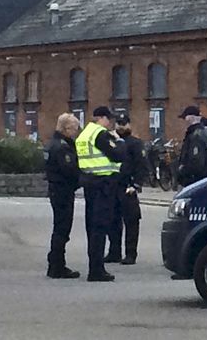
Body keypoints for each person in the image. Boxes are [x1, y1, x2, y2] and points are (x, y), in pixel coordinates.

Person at [75, 106, 126, 282]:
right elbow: (117, 155)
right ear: (102, 118)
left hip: (90, 183)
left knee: (92, 227)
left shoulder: (84, 134)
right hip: (103, 185)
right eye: (108, 119)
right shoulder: (100, 134)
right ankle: (96, 270)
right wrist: (119, 141)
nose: (110, 123)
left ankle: (94, 266)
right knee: (100, 227)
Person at [44, 113, 81, 279]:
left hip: (57, 189)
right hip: (62, 190)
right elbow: (70, 170)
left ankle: (56, 262)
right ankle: (57, 265)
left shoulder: (53, 143)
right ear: (66, 128)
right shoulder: (62, 147)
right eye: (74, 128)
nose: (76, 131)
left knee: (60, 227)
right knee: (62, 228)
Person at [106, 114, 145, 265]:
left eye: (124, 123)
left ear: (129, 125)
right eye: (118, 123)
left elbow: (141, 165)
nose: (121, 127)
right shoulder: (112, 142)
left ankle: (130, 253)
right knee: (113, 221)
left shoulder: (135, 143)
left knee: (131, 221)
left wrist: (136, 185)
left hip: (128, 186)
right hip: (114, 186)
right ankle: (114, 252)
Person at [177, 105, 207, 187]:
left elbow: (196, 162)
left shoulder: (196, 136)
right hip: (206, 179)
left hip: (195, 181)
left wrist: (182, 171)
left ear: (190, 118)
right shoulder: (206, 134)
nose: (183, 122)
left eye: (184, 118)